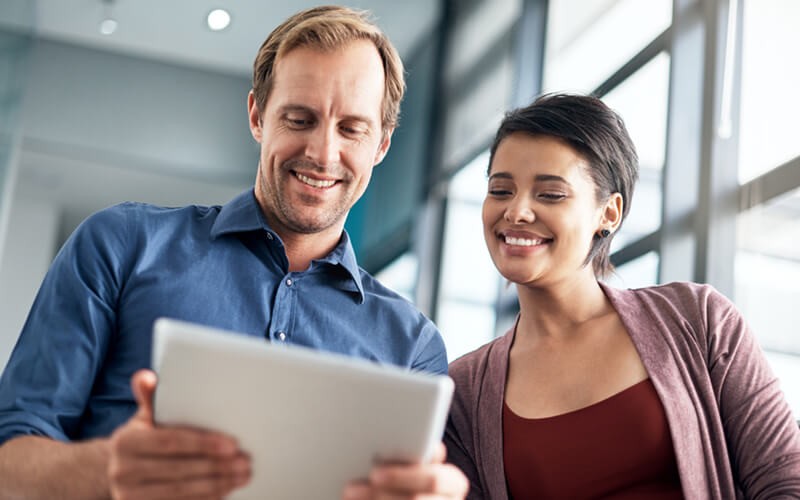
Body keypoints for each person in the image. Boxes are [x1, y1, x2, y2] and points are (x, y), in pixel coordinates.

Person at [0, 6, 468, 499]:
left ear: (382, 145)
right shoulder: (121, 244)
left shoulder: (413, 348)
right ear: (257, 116)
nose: (323, 153)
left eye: (352, 128)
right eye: (299, 118)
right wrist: (108, 469)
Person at [444, 93, 800, 498]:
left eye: (550, 194)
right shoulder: (465, 391)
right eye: (501, 190)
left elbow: (784, 481)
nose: (517, 211)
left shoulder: (698, 320)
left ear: (608, 213)